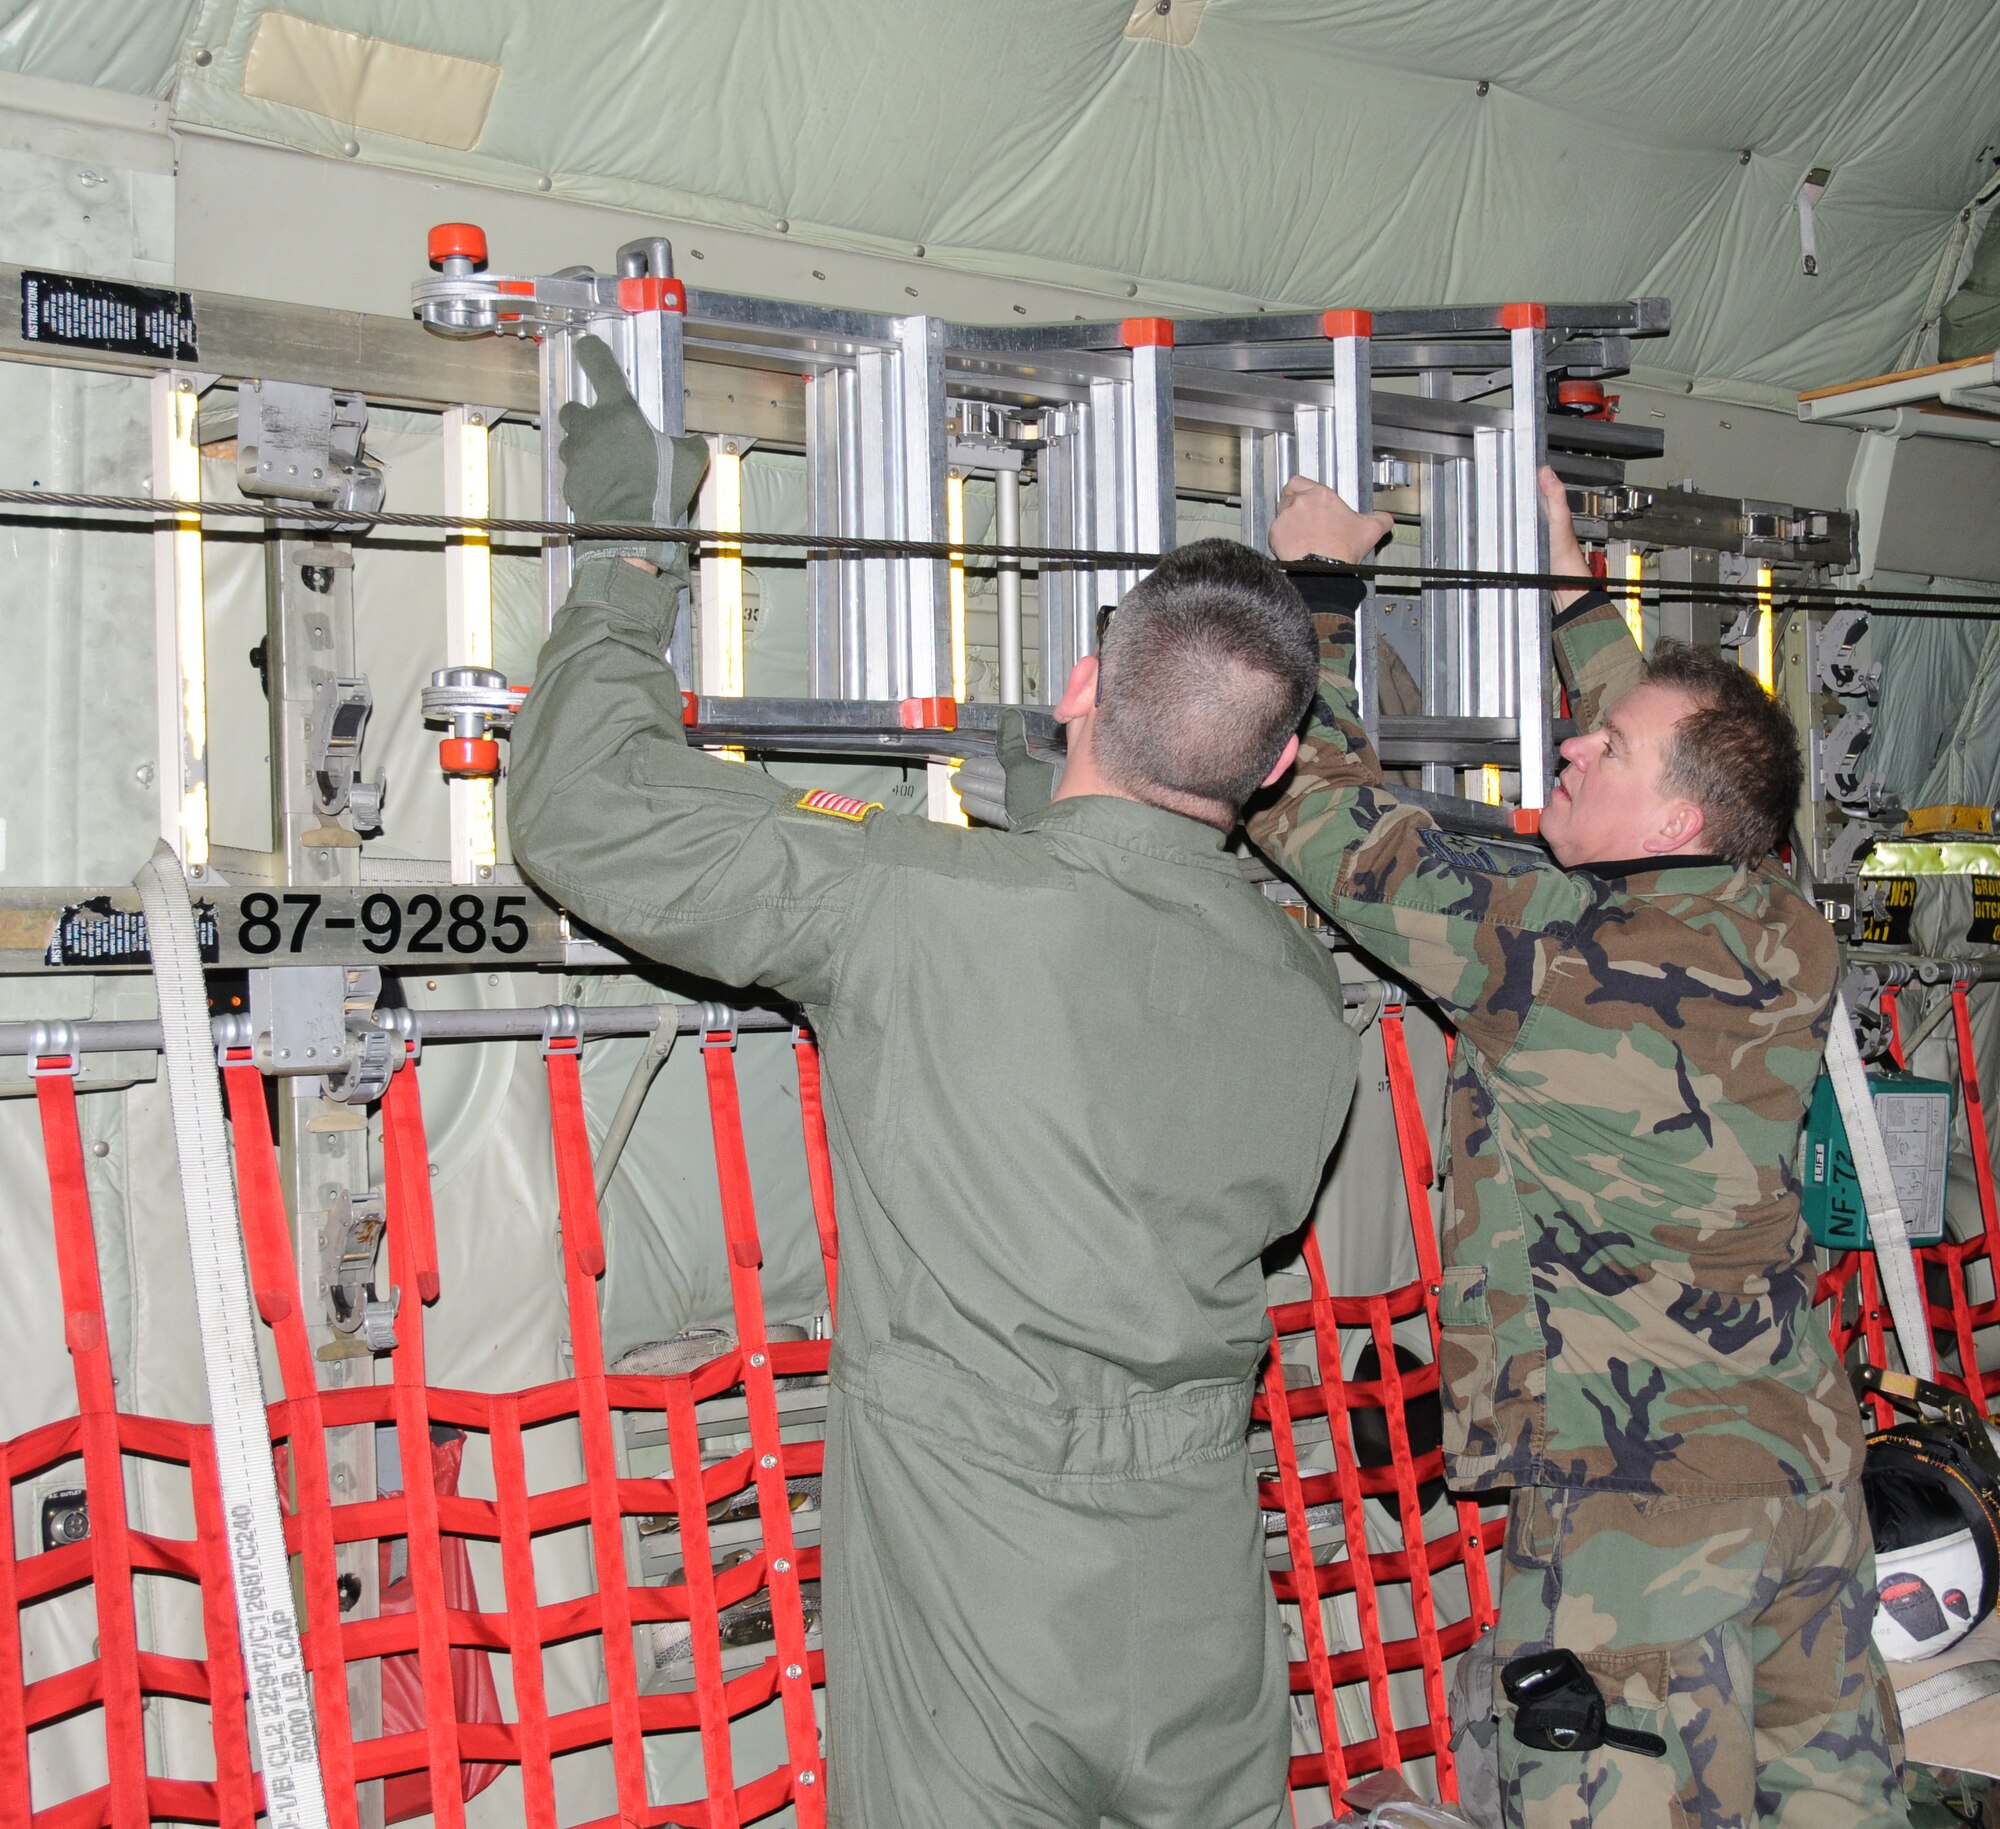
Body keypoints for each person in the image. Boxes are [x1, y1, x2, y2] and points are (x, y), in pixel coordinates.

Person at [506, 339, 1362, 1829]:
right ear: (1282, 761)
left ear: (1084, 684)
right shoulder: (1303, 995)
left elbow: (582, 809)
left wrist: (631, 554)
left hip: (976, 1575)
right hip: (1201, 1605)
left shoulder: (914, 902)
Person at [1247, 470, 1905, 1827]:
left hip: (1639, 1515)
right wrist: (1576, 601)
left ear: (1671, 823)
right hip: (1803, 1485)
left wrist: (1311, 586)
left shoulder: (1554, 950)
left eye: (1604, 748)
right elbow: (1714, 770)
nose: (1577, 744)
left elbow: (1312, 807)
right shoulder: (1787, 926)